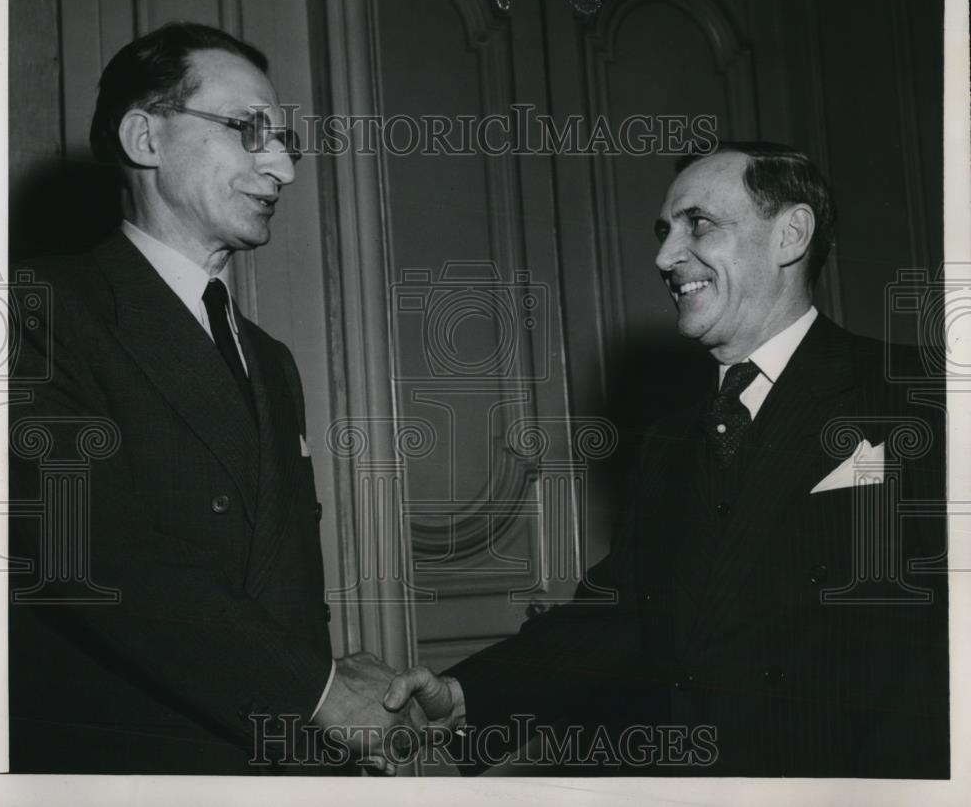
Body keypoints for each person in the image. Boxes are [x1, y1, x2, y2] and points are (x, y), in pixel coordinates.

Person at [383, 143, 949, 778]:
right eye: (664, 231)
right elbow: (623, 614)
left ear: (790, 234)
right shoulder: (669, 442)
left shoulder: (917, 394)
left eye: (698, 223)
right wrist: (466, 694)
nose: (664, 257)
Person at [8, 22, 413, 774]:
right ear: (145, 137)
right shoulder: (35, 310)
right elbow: (97, 557)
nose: (284, 167)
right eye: (247, 130)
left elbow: (269, 580)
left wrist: (328, 694)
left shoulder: (270, 358)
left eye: (285, 140)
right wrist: (318, 691)